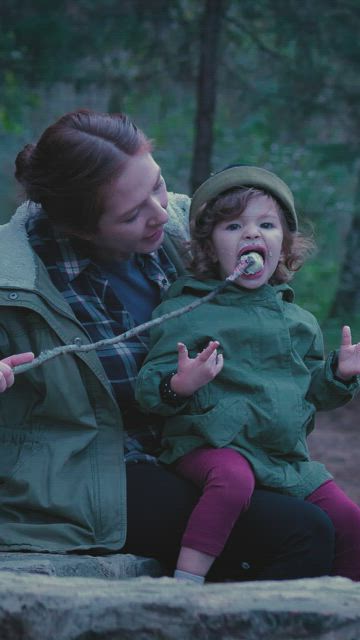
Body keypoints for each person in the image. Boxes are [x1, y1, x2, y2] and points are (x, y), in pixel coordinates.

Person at [0, 111, 335, 581]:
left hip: (196, 444)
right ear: (78, 229)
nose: (161, 212)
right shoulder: (12, 281)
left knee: (331, 524)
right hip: (94, 473)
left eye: (156, 186)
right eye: (132, 213)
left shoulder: (186, 233)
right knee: (299, 533)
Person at [136, 164, 360, 584]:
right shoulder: (186, 312)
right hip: (208, 444)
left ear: (284, 243)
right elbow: (148, 390)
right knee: (232, 479)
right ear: (207, 246)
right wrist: (179, 385)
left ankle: (343, 609)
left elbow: (312, 391)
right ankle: (184, 584)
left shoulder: (298, 321)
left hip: (280, 456)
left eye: (267, 225)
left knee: (350, 519)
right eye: (233, 226)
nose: (252, 234)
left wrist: (339, 374)